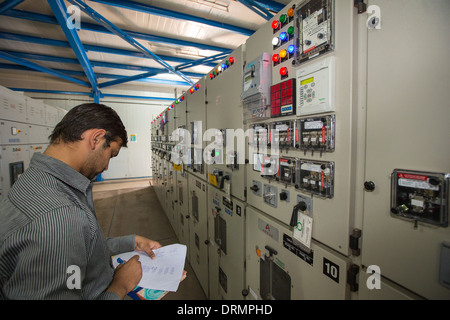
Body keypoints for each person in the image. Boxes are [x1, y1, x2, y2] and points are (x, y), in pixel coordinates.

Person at [0, 103, 160, 299]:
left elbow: (77, 248)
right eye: (111, 154)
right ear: (96, 138)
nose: (107, 166)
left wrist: (128, 242)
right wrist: (120, 285)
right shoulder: (60, 215)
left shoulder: (32, 182)